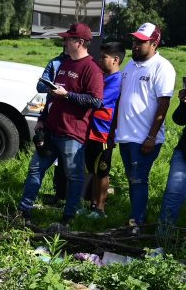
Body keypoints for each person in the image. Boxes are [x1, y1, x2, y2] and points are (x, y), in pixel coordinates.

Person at [17, 23, 104, 226]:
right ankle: (24, 211)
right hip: (50, 129)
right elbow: (52, 94)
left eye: (68, 39)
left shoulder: (92, 69)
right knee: (35, 170)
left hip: (72, 133)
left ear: (80, 42)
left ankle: (68, 217)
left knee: (74, 176)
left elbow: (96, 101)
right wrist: (41, 119)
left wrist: (68, 95)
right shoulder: (64, 63)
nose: (64, 42)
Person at [114, 22, 177, 234]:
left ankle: (137, 223)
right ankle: (135, 219)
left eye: (141, 42)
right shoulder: (131, 65)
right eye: (134, 41)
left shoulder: (162, 67)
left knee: (138, 179)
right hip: (125, 135)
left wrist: (151, 136)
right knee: (132, 179)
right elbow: (122, 98)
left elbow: (164, 103)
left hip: (144, 138)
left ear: (154, 43)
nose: (135, 45)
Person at [81, 42, 124, 219]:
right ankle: (91, 204)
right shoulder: (103, 77)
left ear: (115, 60)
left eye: (103, 57)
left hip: (104, 134)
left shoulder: (117, 80)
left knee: (102, 171)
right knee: (91, 169)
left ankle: (101, 208)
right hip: (90, 131)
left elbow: (98, 100)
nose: (100, 60)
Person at [37, 47, 70, 207]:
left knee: (67, 163)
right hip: (52, 115)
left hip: (70, 120)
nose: (67, 45)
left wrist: (67, 93)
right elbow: (40, 85)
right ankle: (58, 195)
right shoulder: (55, 63)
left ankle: (66, 200)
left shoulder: (82, 64)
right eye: (65, 42)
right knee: (49, 159)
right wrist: (53, 88)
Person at [157, 80, 186, 235]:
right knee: (172, 194)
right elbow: (179, 119)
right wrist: (183, 103)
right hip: (183, 151)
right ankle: (162, 241)